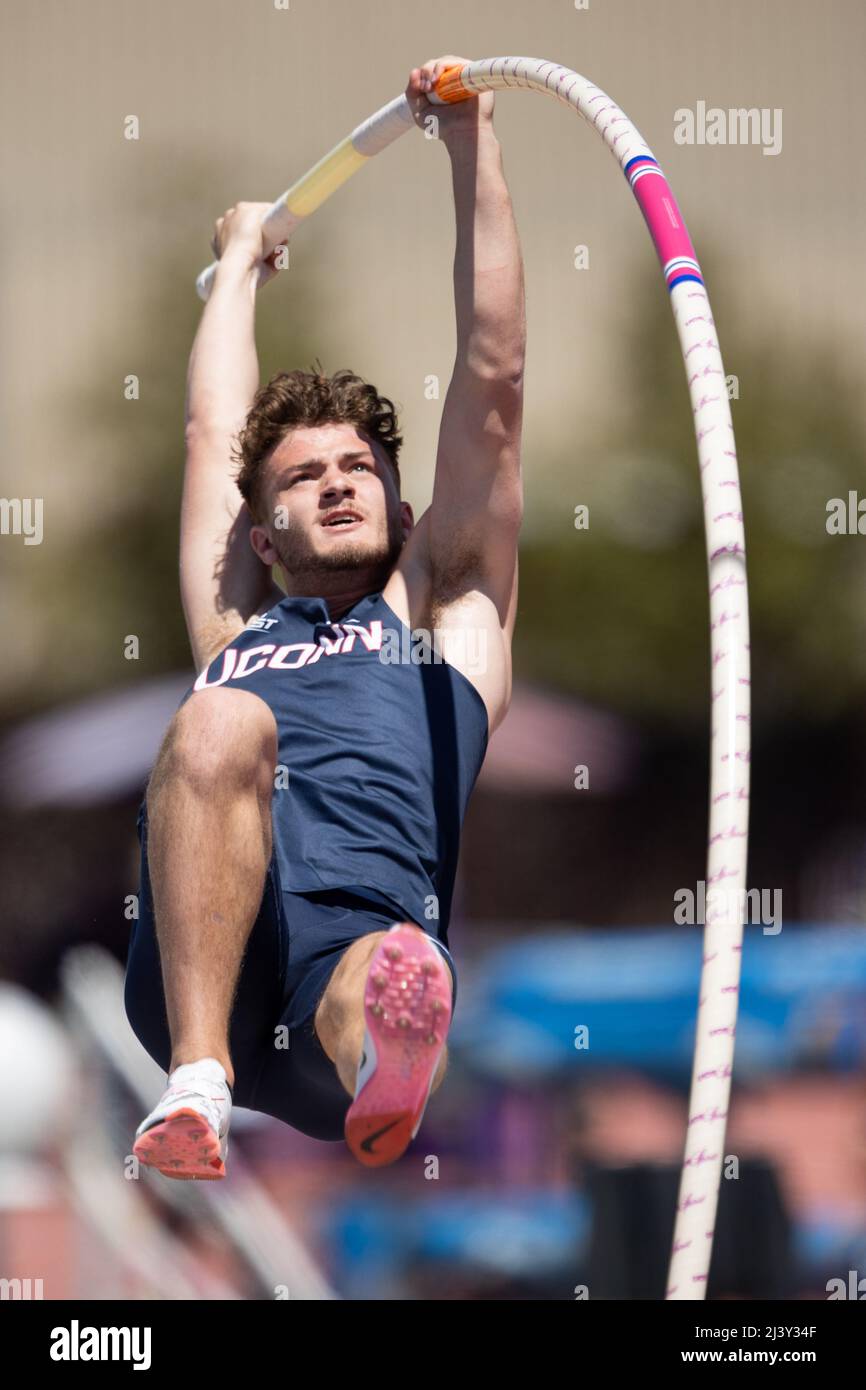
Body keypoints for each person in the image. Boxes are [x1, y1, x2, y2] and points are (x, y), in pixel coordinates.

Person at [124, 55, 525, 1176]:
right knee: (220, 723)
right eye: (303, 478)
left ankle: (387, 1061)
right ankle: (195, 1085)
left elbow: (491, 380)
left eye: (360, 466)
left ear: (398, 500)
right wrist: (240, 262)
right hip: (208, 969)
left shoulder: (448, 616)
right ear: (263, 536)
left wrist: (469, 145)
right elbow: (213, 434)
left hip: (343, 973)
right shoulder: (235, 629)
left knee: (395, 964)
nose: (339, 483)